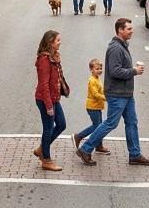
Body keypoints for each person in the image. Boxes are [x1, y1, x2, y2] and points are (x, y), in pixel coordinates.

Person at [76, 19, 149, 166]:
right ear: (120, 30)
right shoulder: (115, 48)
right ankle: (86, 149)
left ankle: (135, 154)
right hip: (117, 94)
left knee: (132, 123)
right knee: (111, 123)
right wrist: (134, 71)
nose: (132, 31)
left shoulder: (122, 46)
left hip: (126, 94)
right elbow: (115, 70)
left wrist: (132, 72)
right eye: (129, 29)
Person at [34, 30, 67, 171]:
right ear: (50, 42)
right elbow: (44, 84)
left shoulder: (53, 57)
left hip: (54, 98)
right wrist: (48, 106)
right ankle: (46, 160)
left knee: (61, 124)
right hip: (45, 99)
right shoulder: (44, 60)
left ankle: (41, 149)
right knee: (48, 129)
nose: (60, 42)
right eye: (58, 40)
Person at [72, 59, 110, 156]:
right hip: (92, 107)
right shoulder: (92, 80)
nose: (99, 70)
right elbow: (95, 94)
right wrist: (106, 98)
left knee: (100, 126)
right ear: (91, 70)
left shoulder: (97, 78)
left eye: (101, 68)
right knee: (96, 127)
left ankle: (99, 146)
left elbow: (101, 91)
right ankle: (78, 136)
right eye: (97, 69)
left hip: (97, 107)